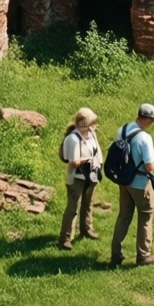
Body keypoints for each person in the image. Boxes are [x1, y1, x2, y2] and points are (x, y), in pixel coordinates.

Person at [110, 103, 154, 266]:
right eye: (152, 120)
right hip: (140, 184)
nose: (152, 123)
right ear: (146, 118)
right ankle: (143, 255)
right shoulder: (145, 138)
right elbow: (149, 166)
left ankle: (116, 254)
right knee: (145, 217)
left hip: (124, 181)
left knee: (123, 216)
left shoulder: (122, 129)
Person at [59, 107, 102, 250]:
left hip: (91, 175)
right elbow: (73, 162)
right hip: (76, 178)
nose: (92, 126)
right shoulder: (73, 139)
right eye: (89, 123)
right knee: (73, 207)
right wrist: (86, 159)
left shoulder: (92, 134)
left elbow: (98, 151)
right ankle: (65, 238)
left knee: (88, 204)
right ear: (81, 123)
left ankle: (86, 229)